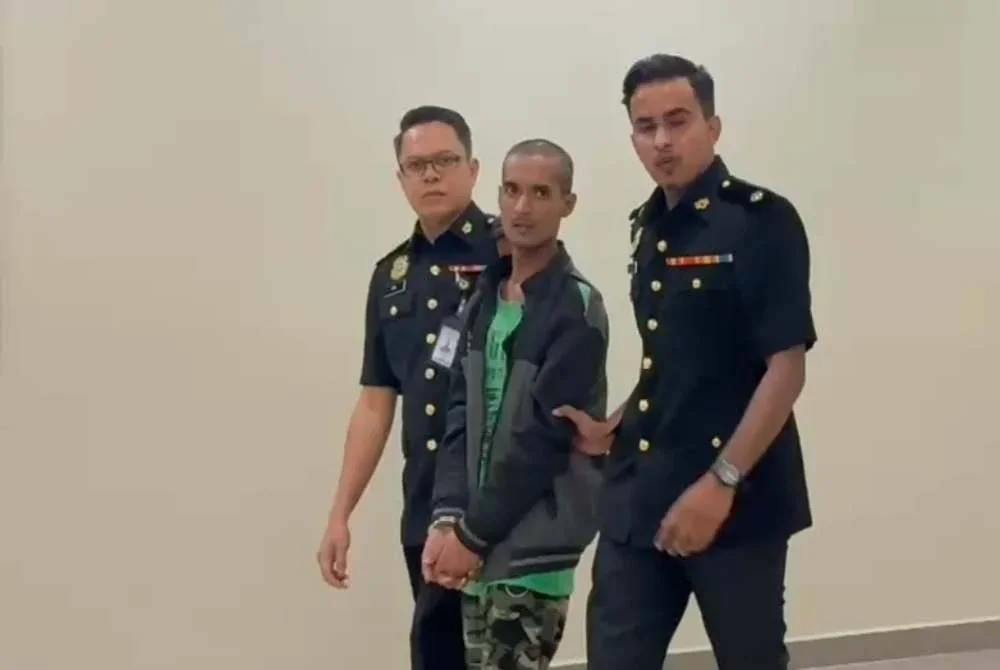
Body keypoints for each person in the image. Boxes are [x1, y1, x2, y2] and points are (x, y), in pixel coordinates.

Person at [555, 54, 817, 669]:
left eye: (678, 121)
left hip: (738, 499)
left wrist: (721, 482)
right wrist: (614, 424)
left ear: (713, 126)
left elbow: (786, 367)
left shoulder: (761, 220)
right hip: (640, 491)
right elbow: (674, 361)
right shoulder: (648, 225)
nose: (662, 141)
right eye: (645, 127)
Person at [316, 105, 502, 670]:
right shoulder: (391, 276)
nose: (431, 175)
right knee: (436, 655)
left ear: (473, 168)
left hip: (499, 508)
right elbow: (376, 402)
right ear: (400, 178)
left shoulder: (510, 253)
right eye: (416, 165)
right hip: (424, 506)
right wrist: (340, 513)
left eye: (445, 161)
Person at [423, 139, 609, 670]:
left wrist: (471, 535)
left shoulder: (576, 306)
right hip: (475, 545)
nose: (523, 207)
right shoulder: (483, 298)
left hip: (531, 553)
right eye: (512, 190)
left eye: (541, 193)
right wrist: (447, 518)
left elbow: (542, 441)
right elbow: (459, 415)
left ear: (567, 204)